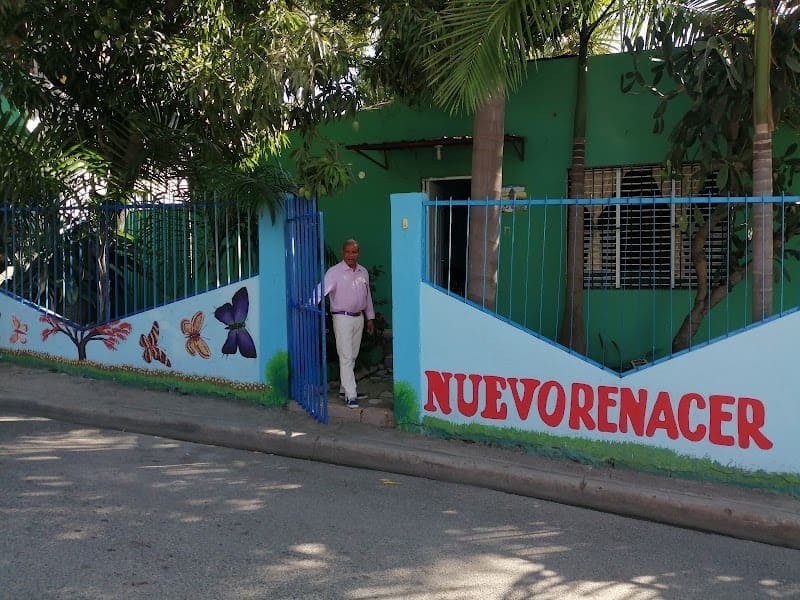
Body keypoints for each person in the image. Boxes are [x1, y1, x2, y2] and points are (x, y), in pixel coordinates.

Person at [323, 239, 375, 408]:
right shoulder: (334, 272)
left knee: (352, 355)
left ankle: (343, 389)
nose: (350, 255)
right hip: (342, 318)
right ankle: (351, 395)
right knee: (345, 356)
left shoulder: (363, 272)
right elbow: (321, 290)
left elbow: (367, 297)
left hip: (359, 318)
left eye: (354, 252)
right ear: (342, 253)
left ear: (358, 253)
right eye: (347, 252)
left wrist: (370, 318)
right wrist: (307, 305)